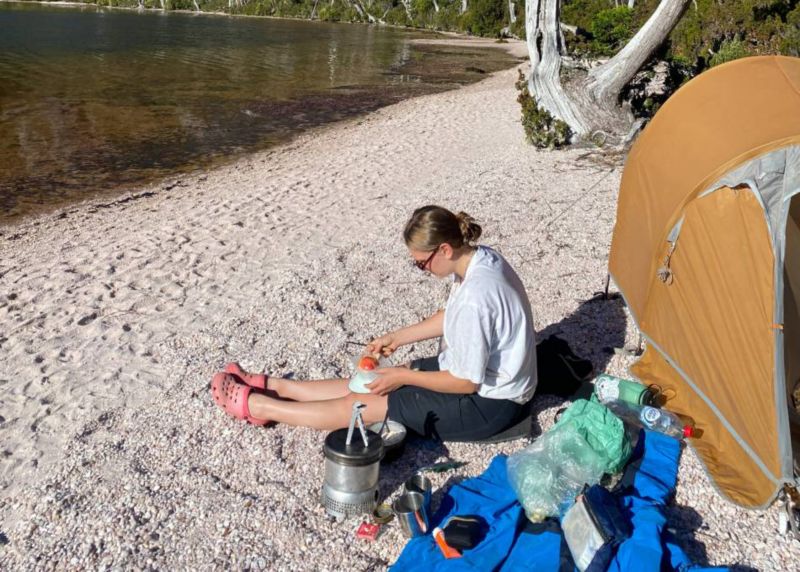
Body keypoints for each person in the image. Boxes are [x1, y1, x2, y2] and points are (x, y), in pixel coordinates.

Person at [211, 205, 537, 441]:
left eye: (421, 264)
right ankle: (275, 386)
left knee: (362, 403)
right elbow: (449, 317)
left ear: (445, 249)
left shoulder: (475, 298)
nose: (422, 270)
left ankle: (260, 406)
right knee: (375, 380)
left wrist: (405, 375)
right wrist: (396, 338)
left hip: (491, 405)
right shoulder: (480, 259)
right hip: (487, 383)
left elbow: (466, 382)